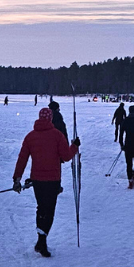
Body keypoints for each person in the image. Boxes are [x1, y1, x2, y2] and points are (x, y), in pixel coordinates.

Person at [12, 107, 80, 257]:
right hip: (53, 180)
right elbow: (67, 156)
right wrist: (75, 146)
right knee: (49, 211)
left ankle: (40, 239)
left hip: (37, 180)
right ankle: (42, 241)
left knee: (41, 208)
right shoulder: (57, 135)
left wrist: (17, 178)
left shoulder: (30, 136)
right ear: (50, 119)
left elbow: (22, 159)